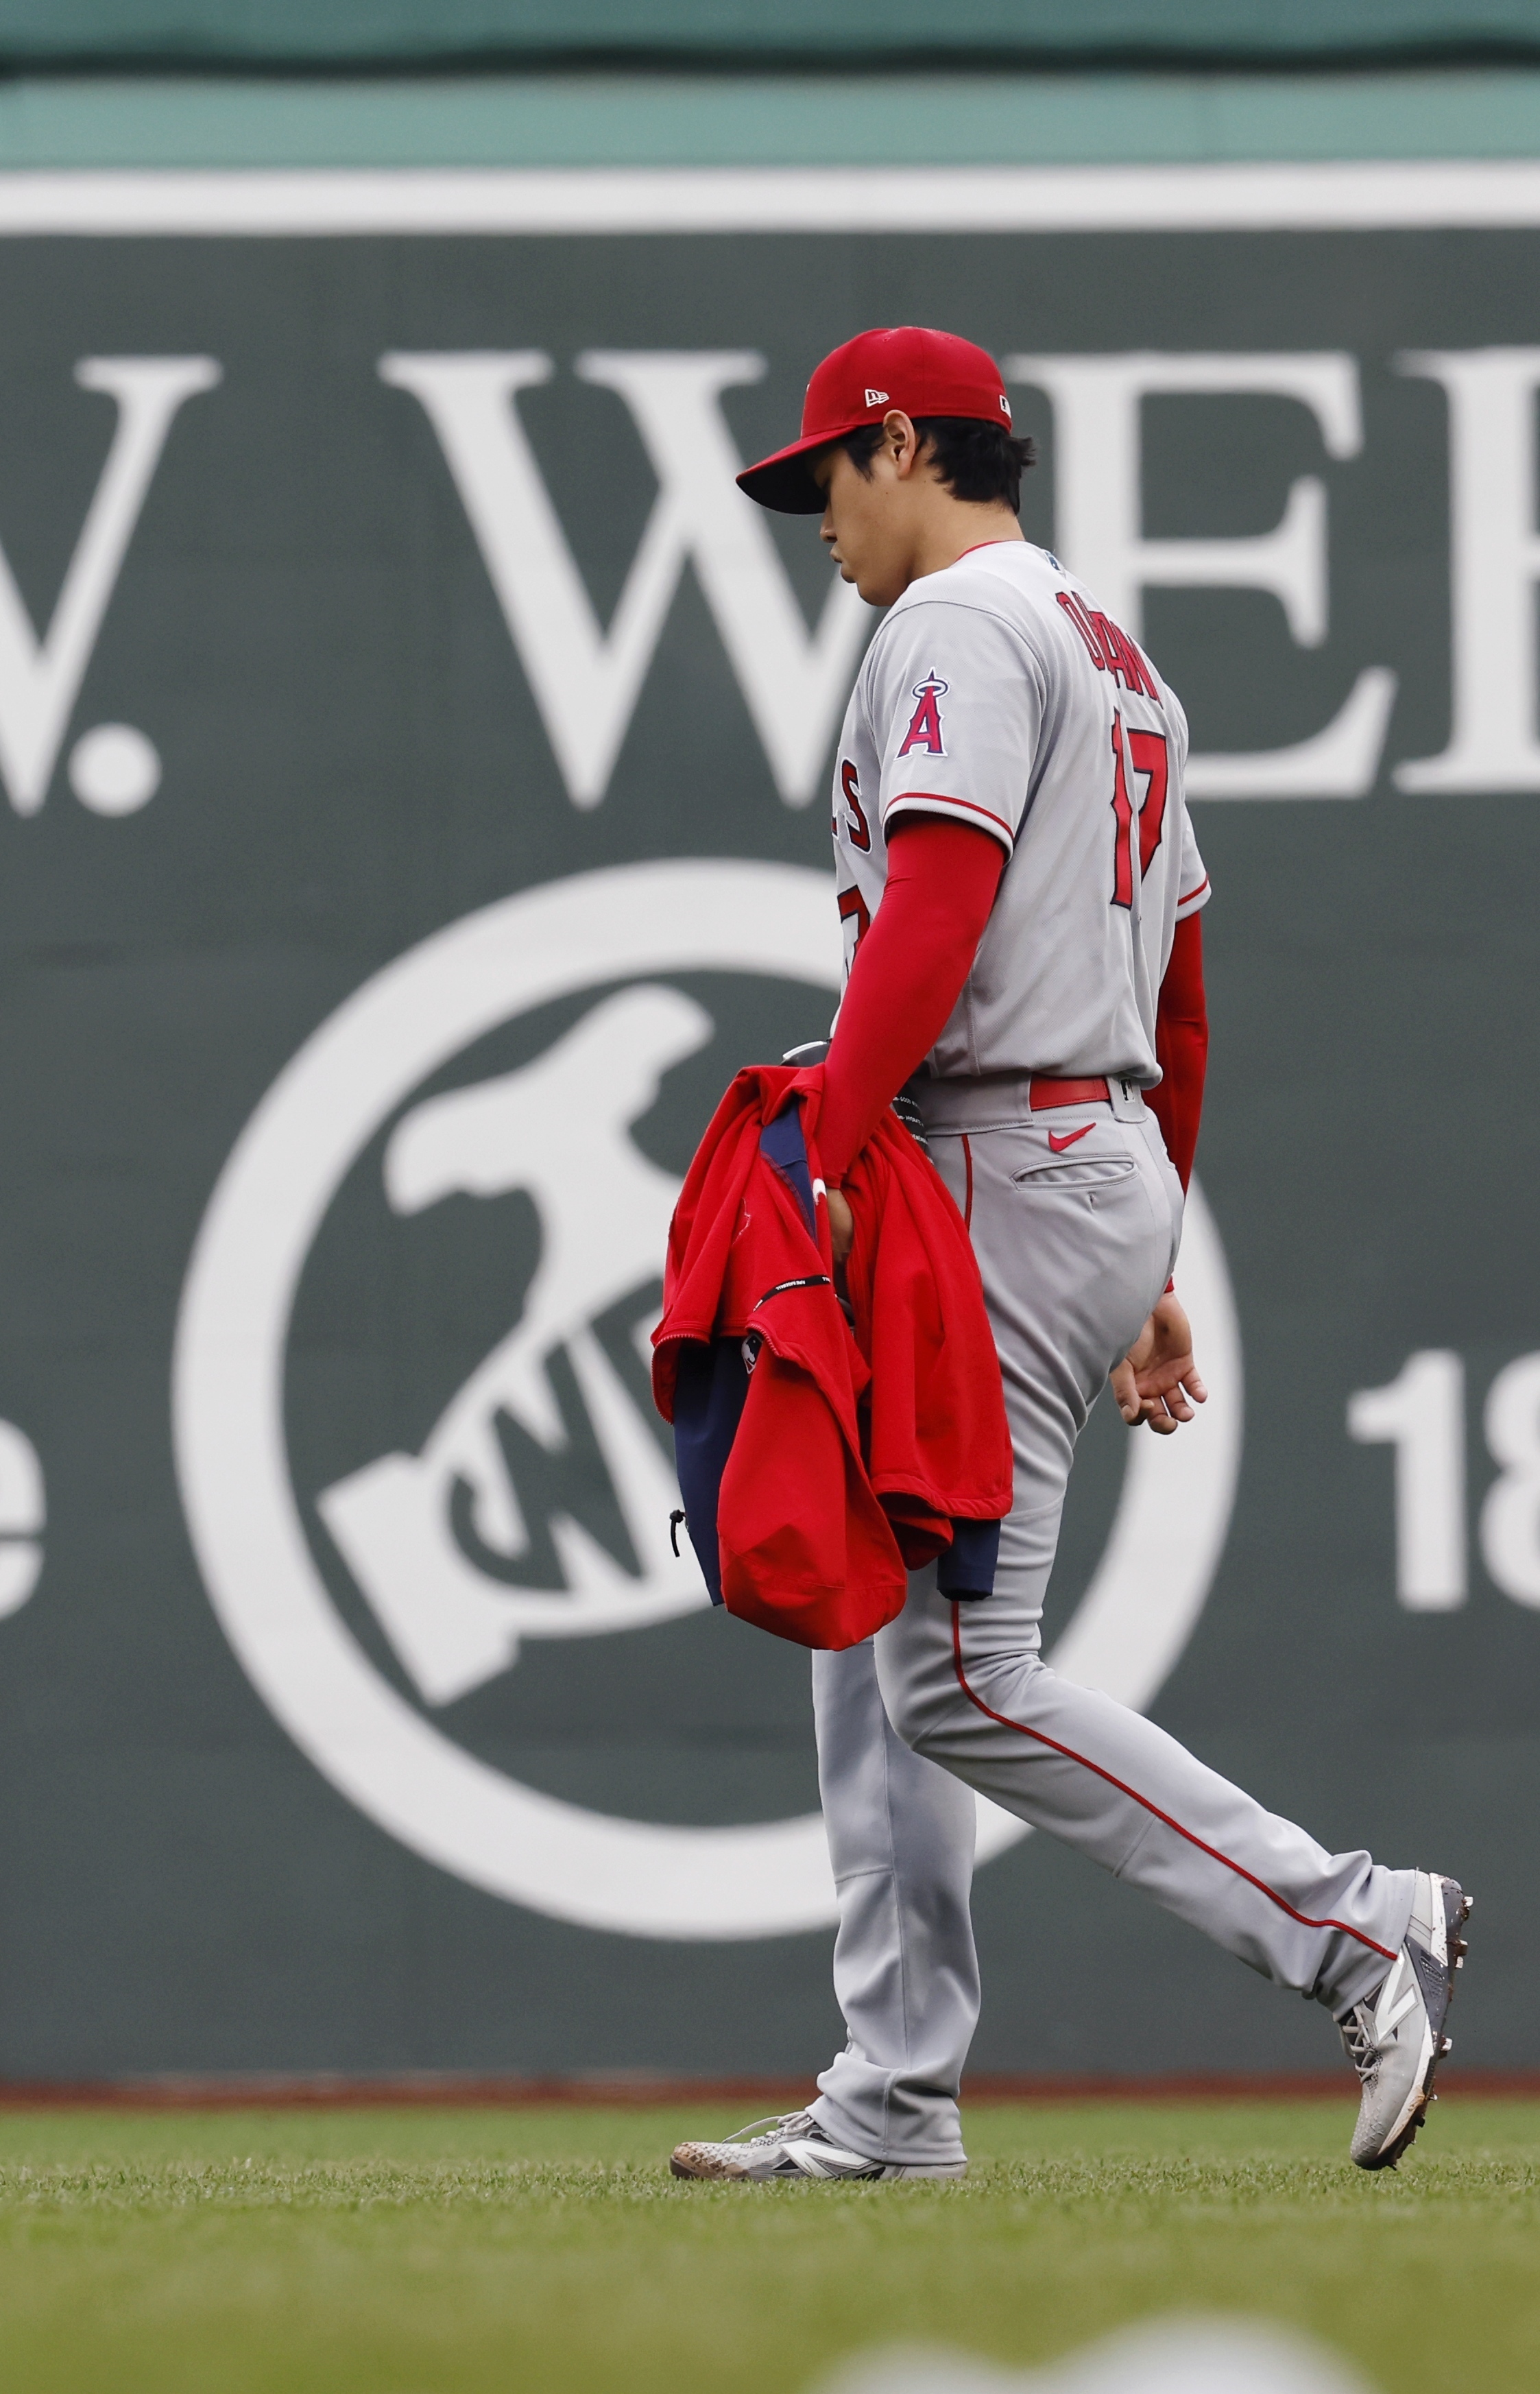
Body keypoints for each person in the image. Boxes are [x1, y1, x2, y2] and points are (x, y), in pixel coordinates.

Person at [669, 327, 1465, 2182]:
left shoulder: (950, 624)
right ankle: (895, 2096)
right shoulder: (1115, 651)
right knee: (873, 1627)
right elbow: (1177, 992)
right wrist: (1153, 1230)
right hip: (1070, 1149)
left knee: (961, 1672)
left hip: (987, 1159)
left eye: (824, 484)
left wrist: (835, 1141)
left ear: (895, 443)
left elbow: (934, 911)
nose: (818, 526)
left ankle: (1350, 1922)